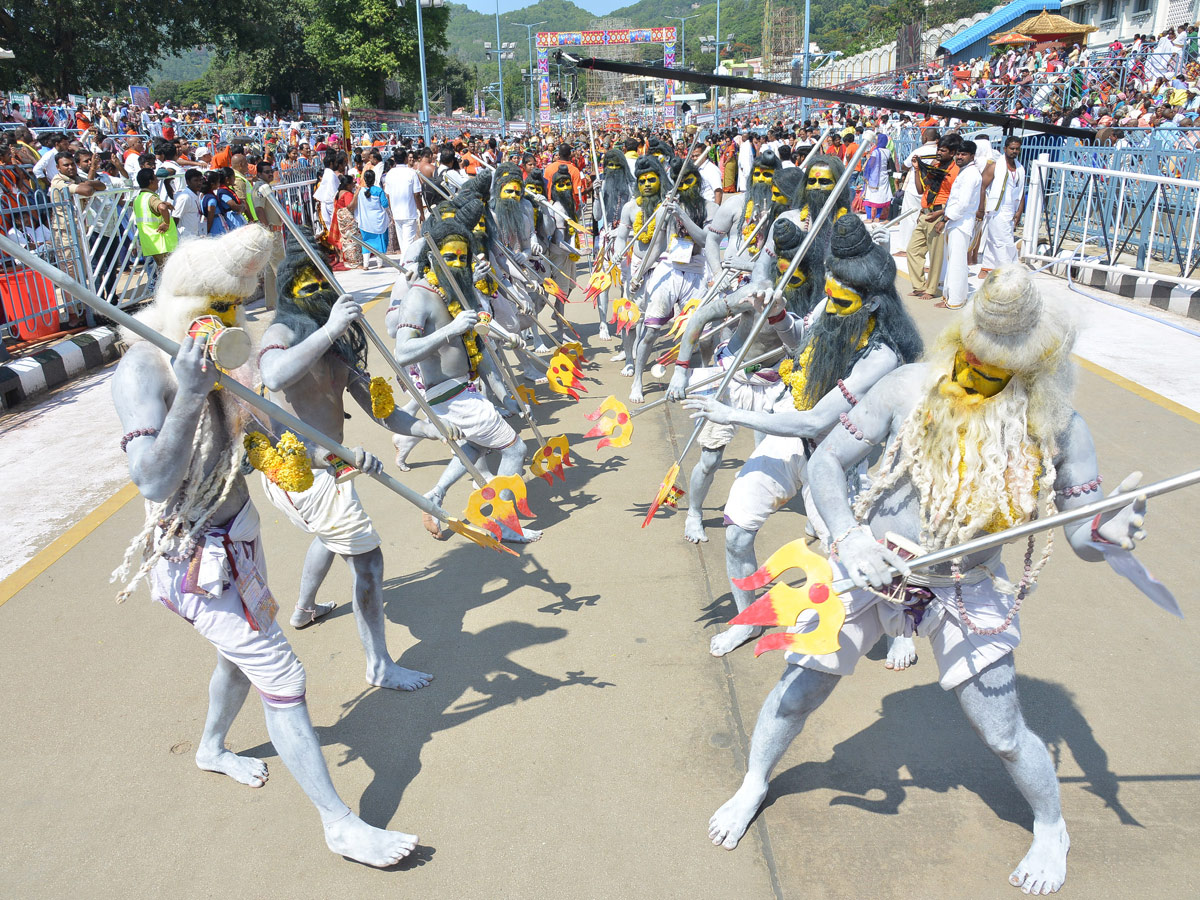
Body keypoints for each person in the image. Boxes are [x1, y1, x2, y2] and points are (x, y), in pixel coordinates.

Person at [707, 265, 1157, 898]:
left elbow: (1083, 536)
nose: (973, 373)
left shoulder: (1058, 427)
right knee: (800, 687)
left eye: (994, 368)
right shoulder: (905, 387)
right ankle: (754, 781)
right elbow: (829, 462)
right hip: (867, 566)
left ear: (1031, 367)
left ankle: (1051, 827)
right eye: (969, 356)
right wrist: (848, 537)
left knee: (1002, 734)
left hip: (964, 588)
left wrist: (1110, 536)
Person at [110, 224, 418, 867]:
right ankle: (339, 822)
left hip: (239, 545)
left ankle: (211, 748)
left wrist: (336, 455)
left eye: (235, 309)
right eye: (215, 310)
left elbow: (271, 434)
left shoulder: (229, 357)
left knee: (239, 660)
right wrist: (192, 396)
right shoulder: (143, 367)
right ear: (182, 307)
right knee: (283, 673)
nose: (228, 323)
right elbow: (152, 479)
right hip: (192, 556)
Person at [682, 215, 923, 658]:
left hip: (841, 460)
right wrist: (776, 312)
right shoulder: (830, 308)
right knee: (736, 533)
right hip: (790, 438)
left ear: (871, 305)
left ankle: (899, 629)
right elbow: (798, 341)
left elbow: (815, 423)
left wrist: (730, 413)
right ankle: (748, 618)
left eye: (841, 301)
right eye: (827, 295)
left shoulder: (882, 357)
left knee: (864, 552)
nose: (829, 307)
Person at [258, 237, 448, 687]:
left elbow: (385, 412)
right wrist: (327, 328)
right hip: (299, 471)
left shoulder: (339, 346)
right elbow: (272, 375)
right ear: (289, 292)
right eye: (304, 287)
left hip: (334, 467)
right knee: (368, 561)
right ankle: (379, 666)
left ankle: (304, 609)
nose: (314, 296)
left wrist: (431, 429)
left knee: (335, 535)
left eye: (319, 285)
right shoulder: (281, 333)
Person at [390, 217, 539, 543]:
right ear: (433, 258)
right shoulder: (420, 296)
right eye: (450, 258)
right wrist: (451, 329)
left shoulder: (452, 290)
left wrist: (504, 385)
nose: (458, 264)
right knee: (515, 449)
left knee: (477, 446)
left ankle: (435, 496)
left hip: (464, 389)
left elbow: (479, 343)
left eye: (462, 257)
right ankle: (503, 523)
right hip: (449, 393)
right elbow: (402, 352)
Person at [905, 133, 960, 302]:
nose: (939, 153)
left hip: (938, 214)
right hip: (925, 212)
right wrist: (916, 169)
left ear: (952, 153)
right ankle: (919, 286)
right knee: (913, 250)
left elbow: (955, 197)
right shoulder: (935, 164)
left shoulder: (956, 171)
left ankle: (931, 288)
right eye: (938, 149)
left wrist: (942, 216)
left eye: (943, 150)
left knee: (935, 255)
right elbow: (922, 189)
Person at [937, 139, 981, 310]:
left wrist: (945, 219)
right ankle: (950, 296)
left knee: (957, 263)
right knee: (952, 261)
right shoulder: (965, 172)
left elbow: (963, 204)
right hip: (955, 222)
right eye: (958, 154)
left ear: (972, 156)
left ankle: (955, 300)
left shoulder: (971, 175)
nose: (959, 157)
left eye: (963, 154)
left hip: (961, 223)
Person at [978, 136, 1025, 277]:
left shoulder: (1020, 168)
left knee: (995, 240)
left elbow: (1021, 191)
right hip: (996, 209)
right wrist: (980, 208)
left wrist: (1019, 211)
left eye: (1017, 149)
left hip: (1011, 210)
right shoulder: (994, 166)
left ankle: (986, 268)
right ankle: (1008, 270)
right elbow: (982, 186)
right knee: (1004, 241)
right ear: (1005, 149)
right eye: (1012, 148)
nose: (1014, 151)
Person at [133, 168, 177, 269]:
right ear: (150, 181)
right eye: (155, 178)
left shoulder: (138, 198)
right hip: (162, 242)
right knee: (170, 272)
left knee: (163, 271)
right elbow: (162, 208)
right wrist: (166, 223)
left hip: (151, 243)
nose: (157, 180)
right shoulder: (151, 197)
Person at [383, 148, 424, 257]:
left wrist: (392, 212)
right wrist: (422, 212)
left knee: (403, 243)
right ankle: (406, 266)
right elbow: (417, 195)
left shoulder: (390, 174)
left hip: (397, 213)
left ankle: (404, 266)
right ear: (406, 158)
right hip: (409, 213)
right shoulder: (411, 173)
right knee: (408, 244)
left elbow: (388, 195)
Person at [356, 169, 390, 269]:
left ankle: (366, 264)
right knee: (380, 241)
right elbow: (385, 204)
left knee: (366, 242)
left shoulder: (360, 191)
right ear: (374, 178)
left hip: (365, 222)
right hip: (378, 221)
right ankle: (379, 264)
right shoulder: (379, 190)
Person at [172, 168, 206, 240]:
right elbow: (175, 218)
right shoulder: (185, 197)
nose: (199, 183)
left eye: (200, 180)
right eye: (196, 180)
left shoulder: (197, 194)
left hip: (195, 235)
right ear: (188, 182)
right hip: (185, 238)